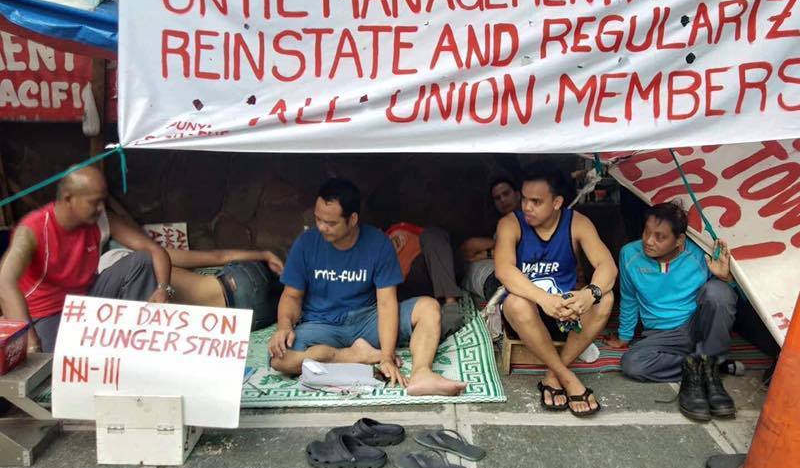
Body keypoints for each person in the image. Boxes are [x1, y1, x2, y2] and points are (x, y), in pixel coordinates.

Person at [267, 178, 466, 397]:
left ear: (352, 219)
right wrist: (284, 326)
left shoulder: (378, 243)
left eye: (331, 223)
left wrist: (387, 356)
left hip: (368, 320)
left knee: (428, 307)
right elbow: (292, 296)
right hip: (322, 325)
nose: (322, 227)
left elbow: (386, 302)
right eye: (318, 219)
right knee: (279, 359)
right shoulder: (305, 244)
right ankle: (354, 356)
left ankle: (421, 374)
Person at [0, 166, 173, 353]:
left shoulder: (101, 220)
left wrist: (163, 288)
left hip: (86, 300)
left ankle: (134, 341)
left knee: (140, 261)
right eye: (94, 202)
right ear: (68, 199)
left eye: (103, 201)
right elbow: (5, 281)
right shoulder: (33, 229)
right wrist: (30, 340)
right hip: (47, 314)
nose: (101, 208)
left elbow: (154, 250)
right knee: (54, 366)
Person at [494, 163, 617, 416]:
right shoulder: (511, 223)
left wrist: (588, 294)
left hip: (565, 314)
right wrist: (543, 299)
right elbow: (504, 271)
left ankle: (552, 375)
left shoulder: (577, 223)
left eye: (536, 201)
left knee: (605, 299)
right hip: (526, 316)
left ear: (557, 202)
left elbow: (607, 266)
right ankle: (568, 379)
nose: (527, 207)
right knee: (517, 302)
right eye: (525, 199)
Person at [616, 201, 737, 421]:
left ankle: (707, 363)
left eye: (660, 237)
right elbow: (629, 297)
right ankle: (707, 366)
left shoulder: (700, 254)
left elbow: (727, 303)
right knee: (632, 364)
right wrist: (624, 336)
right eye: (646, 232)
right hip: (661, 335)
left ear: (679, 240)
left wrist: (725, 278)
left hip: (695, 325)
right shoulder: (629, 254)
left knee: (718, 292)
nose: (649, 241)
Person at [99, 245, 285, 330]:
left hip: (245, 321)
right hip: (239, 280)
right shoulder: (139, 257)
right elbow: (215, 257)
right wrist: (264, 253)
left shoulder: (106, 303)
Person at [387, 223, 464, 335]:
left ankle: (450, 304)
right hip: (412, 285)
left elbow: (436, 237)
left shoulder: (399, 228)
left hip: (441, 265)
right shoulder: (378, 255)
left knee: (432, 235)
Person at [460, 176, 521, 301]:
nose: (503, 200)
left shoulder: (530, 217)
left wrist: (487, 253)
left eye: (506, 194)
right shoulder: (503, 224)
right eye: (497, 198)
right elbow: (469, 249)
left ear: (518, 195)